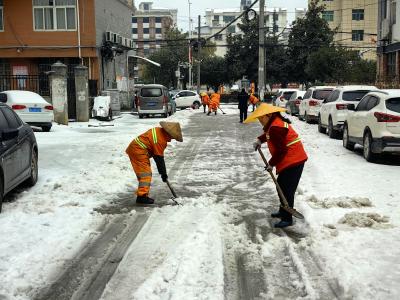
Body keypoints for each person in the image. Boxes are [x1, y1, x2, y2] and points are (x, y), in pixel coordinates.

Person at [244, 103, 308, 228]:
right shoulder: (274, 124)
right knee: (282, 187)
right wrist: (259, 140)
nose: (260, 121)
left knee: (286, 190)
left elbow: (281, 151)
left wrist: (271, 164)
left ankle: (287, 218)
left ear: (269, 115)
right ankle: (283, 210)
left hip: (293, 160)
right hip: (292, 159)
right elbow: (269, 135)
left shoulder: (275, 127)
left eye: (261, 118)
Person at [126, 121, 183, 204]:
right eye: (171, 137)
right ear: (167, 133)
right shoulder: (160, 140)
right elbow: (159, 159)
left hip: (137, 149)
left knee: (143, 174)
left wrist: (162, 173)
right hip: (138, 151)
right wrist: (163, 173)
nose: (170, 140)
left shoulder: (158, 130)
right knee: (146, 174)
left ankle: (142, 193)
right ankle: (142, 197)